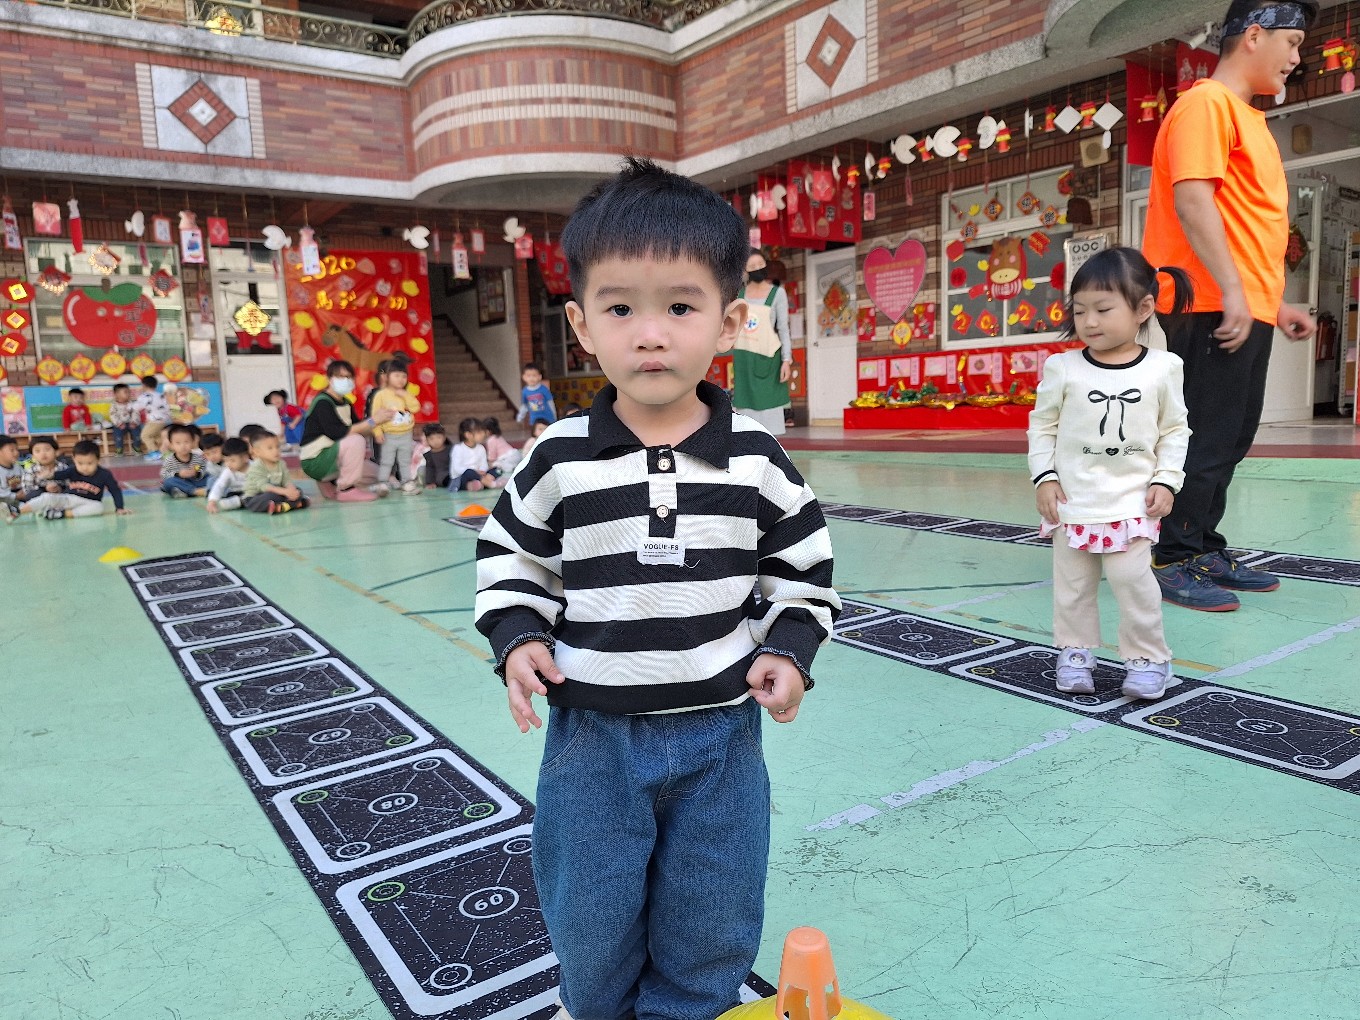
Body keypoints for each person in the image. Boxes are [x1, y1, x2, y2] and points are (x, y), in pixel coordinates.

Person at [474, 157, 839, 1020]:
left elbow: (803, 567)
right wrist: (518, 636)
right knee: (589, 906)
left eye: (680, 307)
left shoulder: (756, 458)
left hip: (722, 734)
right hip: (592, 737)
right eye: (620, 309)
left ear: (730, 321)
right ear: (581, 324)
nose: (650, 334)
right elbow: (512, 556)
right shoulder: (558, 456)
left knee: (714, 901)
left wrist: (791, 649)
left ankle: (688, 1010)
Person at [1141, 0, 1318, 612]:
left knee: (1230, 436)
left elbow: (1245, 225)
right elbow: (1193, 200)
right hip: (1203, 302)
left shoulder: (1249, 119)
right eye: (1292, 42)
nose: (1296, 58)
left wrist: (1274, 301)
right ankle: (1170, 555)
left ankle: (1200, 544)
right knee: (1199, 437)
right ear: (1253, 35)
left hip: (1240, 303)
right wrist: (1236, 291)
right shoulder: (1206, 104)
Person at [1028, 249, 1195, 700]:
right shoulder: (1063, 368)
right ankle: (1075, 651)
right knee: (1073, 585)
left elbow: (1174, 430)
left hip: (1132, 501)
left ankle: (1147, 656)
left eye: (1103, 309)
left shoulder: (1164, 367)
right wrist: (1045, 477)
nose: (1089, 321)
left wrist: (1166, 479)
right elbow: (1042, 427)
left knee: (1132, 582)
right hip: (1073, 501)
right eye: (1080, 310)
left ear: (1143, 308)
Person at [299, 359, 392, 503]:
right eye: (341, 377)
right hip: (316, 460)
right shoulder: (323, 402)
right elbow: (338, 433)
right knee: (355, 440)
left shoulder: (346, 403)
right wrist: (373, 421)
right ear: (329, 379)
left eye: (349, 377)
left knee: (378, 474)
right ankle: (346, 489)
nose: (346, 381)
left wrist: (382, 423)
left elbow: (360, 428)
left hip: (333, 457)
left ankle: (330, 482)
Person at [731, 248, 793, 435]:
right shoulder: (739, 295)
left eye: (760, 264)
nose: (757, 268)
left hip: (769, 359)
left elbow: (783, 328)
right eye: (752, 266)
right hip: (744, 359)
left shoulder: (777, 293)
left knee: (770, 418)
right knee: (746, 423)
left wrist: (786, 360)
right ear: (745, 270)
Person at [7, 439, 129, 522]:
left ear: (98, 460)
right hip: (68, 499)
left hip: (89, 502)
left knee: (99, 508)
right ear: (74, 460)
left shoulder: (104, 474)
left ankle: (59, 514)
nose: (84, 467)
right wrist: (49, 475)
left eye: (89, 463)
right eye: (80, 463)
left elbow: (115, 490)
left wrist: (119, 507)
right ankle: (18, 511)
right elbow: (60, 475)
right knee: (47, 497)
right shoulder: (72, 470)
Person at [370, 360, 422, 494]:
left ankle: (406, 482)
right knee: (387, 460)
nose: (401, 379)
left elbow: (415, 408)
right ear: (386, 377)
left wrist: (405, 395)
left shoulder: (406, 394)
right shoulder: (381, 395)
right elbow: (374, 416)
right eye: (396, 375)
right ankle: (383, 483)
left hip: (406, 434)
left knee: (405, 460)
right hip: (389, 435)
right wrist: (378, 432)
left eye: (404, 376)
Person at [243, 431, 310, 514]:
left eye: (277, 446)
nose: (276, 451)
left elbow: (286, 480)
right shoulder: (256, 466)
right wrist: (285, 492)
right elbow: (264, 486)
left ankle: (282, 506)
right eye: (270, 448)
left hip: (277, 492)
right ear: (257, 452)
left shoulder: (281, 463)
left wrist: (291, 490)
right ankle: (294, 504)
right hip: (257, 496)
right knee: (268, 497)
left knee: (297, 490)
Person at [449, 417, 499, 492]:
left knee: (497, 469)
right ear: (468, 435)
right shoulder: (458, 448)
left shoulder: (481, 448)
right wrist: (475, 471)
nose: (483, 434)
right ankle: (489, 483)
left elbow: (484, 464)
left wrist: (482, 470)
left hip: (479, 475)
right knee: (469, 472)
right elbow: (457, 469)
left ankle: (478, 484)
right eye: (479, 432)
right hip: (461, 478)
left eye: (483, 431)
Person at [160, 423, 208, 498]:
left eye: (186, 442)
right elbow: (164, 474)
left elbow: (204, 469)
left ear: (193, 442)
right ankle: (194, 491)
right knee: (168, 482)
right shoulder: (169, 460)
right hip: (180, 482)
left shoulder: (198, 458)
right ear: (171, 445)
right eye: (178, 443)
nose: (183, 446)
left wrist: (197, 473)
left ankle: (184, 492)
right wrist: (178, 474)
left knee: (210, 477)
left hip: (195, 482)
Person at [18, 436, 70, 502]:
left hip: (60, 498)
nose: (43, 453)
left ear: (56, 452)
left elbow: (69, 485)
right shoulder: (30, 470)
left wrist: (58, 489)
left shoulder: (64, 467)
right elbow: (28, 490)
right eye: (37, 451)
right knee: (33, 494)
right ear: (33, 456)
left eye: (47, 450)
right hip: (40, 501)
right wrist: (45, 489)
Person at [207, 437, 251, 513]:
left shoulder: (255, 468)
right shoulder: (228, 471)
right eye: (226, 460)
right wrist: (212, 501)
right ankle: (242, 501)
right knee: (230, 495)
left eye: (232, 460)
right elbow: (219, 485)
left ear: (245, 458)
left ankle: (241, 502)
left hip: (252, 492)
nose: (228, 464)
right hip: (236, 493)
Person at [133, 375, 171, 461]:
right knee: (157, 437)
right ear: (156, 385)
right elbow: (168, 408)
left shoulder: (144, 396)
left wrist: (130, 406)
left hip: (154, 421)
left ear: (144, 385)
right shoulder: (161, 396)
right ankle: (166, 452)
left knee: (145, 436)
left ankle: (154, 453)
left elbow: (136, 407)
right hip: (164, 420)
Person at [106, 383, 142, 454]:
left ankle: (136, 447)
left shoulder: (131, 404)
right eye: (126, 392)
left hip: (131, 423)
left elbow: (135, 413)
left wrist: (134, 422)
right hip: (119, 424)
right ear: (117, 394)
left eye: (129, 392)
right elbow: (112, 415)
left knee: (137, 433)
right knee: (117, 435)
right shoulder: (114, 405)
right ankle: (119, 448)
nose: (128, 394)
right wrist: (119, 423)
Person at [420, 423, 452, 489]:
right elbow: (430, 469)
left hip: (454, 474)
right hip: (441, 478)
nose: (436, 441)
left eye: (439, 437)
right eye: (431, 439)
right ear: (427, 440)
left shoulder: (452, 450)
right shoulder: (429, 455)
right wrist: (430, 483)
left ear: (444, 437)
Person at [0, 436, 23, 512]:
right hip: (4, 501)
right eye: (12, 450)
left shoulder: (18, 467)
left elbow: (25, 481)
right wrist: (15, 496)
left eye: (17, 449)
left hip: (19, 499)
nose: (16, 453)